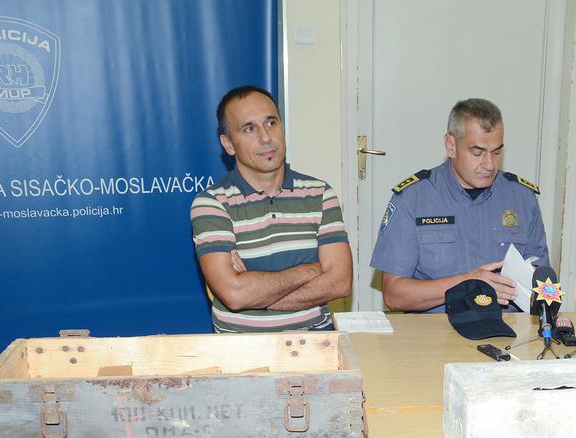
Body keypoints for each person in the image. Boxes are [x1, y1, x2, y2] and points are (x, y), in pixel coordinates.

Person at [190, 85, 352, 332]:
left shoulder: (320, 194)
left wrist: (255, 294)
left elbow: (340, 282)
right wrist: (312, 270)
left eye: (271, 123)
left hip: (315, 343)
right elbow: (235, 295)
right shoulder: (212, 203)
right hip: (241, 349)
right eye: (249, 128)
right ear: (229, 144)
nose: (266, 137)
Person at [372, 98, 550, 312]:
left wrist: (545, 299)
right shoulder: (413, 198)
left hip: (506, 327)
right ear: (451, 145)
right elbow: (394, 295)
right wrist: (466, 283)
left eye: (496, 152)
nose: (489, 164)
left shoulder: (522, 197)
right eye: (477, 153)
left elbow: (544, 284)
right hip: (438, 329)